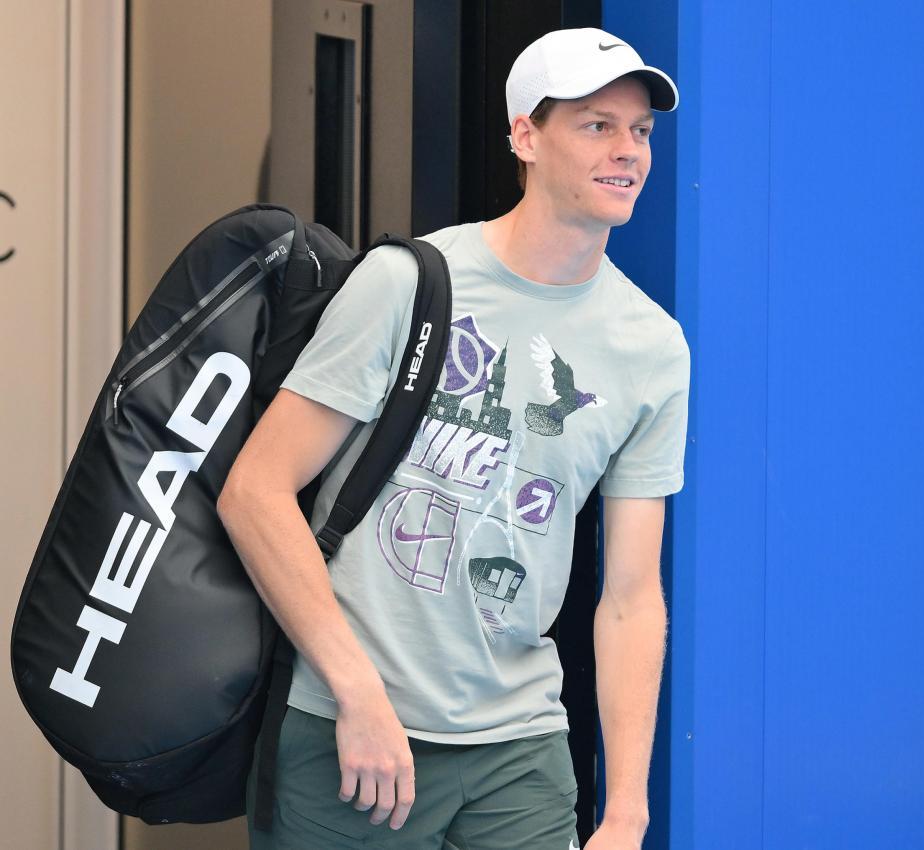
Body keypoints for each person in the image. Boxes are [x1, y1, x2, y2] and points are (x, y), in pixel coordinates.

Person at [218, 26, 689, 850]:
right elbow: (256, 492)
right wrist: (356, 691)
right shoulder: (408, 284)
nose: (629, 152)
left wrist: (627, 810)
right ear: (525, 136)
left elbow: (631, 597)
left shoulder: (651, 349)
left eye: (641, 130)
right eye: (596, 125)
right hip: (352, 736)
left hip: (522, 752)